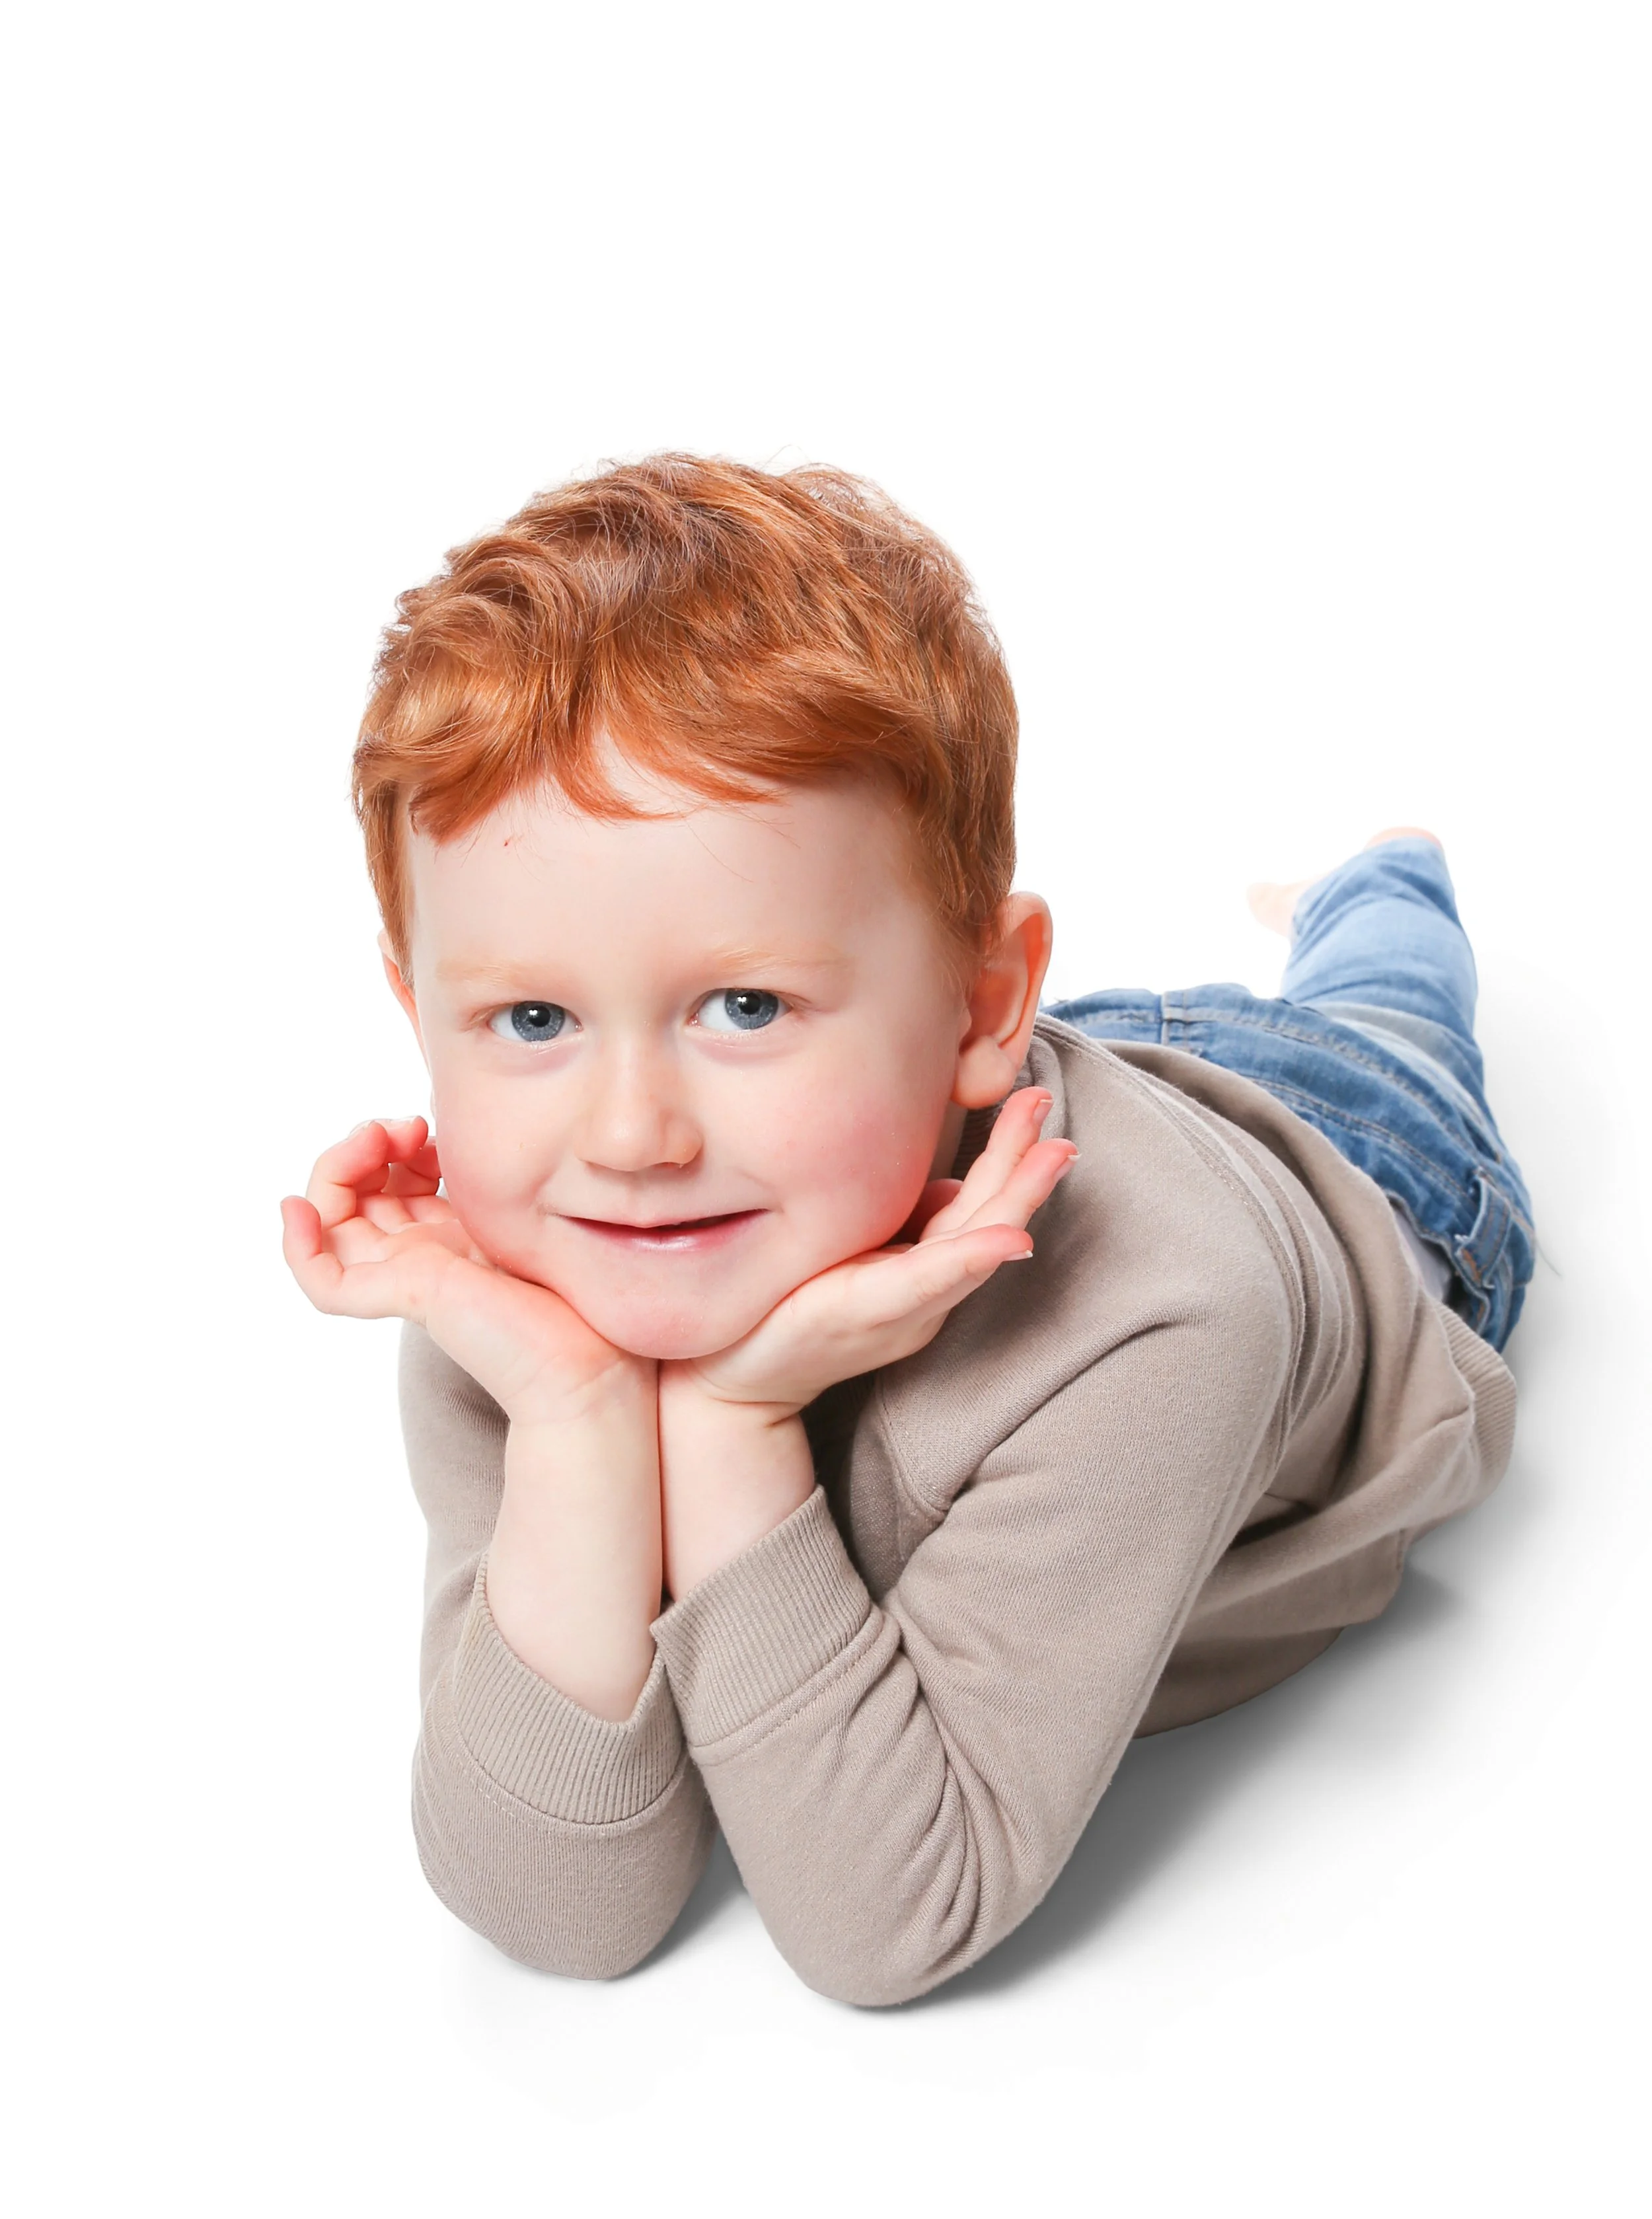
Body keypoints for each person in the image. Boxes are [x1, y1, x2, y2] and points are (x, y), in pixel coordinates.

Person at [280, 456, 1534, 2006]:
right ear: (422, 1018)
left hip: (1351, 1152)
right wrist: (575, 1412)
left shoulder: (1156, 1315)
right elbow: (555, 1907)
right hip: (958, 1092)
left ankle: (1379, 881)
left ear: (982, 1002)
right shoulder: (542, 1273)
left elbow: (889, 1921)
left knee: (1387, 998)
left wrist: (731, 1422)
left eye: (741, 1006)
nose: (627, 1140)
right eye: (530, 1017)